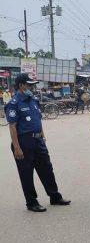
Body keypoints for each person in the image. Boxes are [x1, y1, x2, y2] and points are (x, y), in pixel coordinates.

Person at [4, 73, 71, 212]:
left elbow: (38, 121)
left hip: (37, 140)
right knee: (26, 173)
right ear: (21, 85)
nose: (32, 87)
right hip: (23, 142)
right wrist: (16, 147)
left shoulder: (33, 100)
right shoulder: (13, 103)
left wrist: (43, 137)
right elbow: (12, 126)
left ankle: (54, 196)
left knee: (47, 168)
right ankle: (31, 202)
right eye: (29, 85)